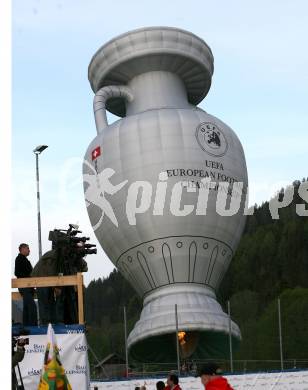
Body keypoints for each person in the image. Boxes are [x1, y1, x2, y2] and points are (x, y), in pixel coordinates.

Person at [14, 243, 38, 326]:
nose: (29, 250)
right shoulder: (19, 259)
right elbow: (17, 272)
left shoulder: (24, 259)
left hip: (27, 287)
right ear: (23, 249)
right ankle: (33, 326)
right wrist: (28, 277)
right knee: (32, 307)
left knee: (27, 307)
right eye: (28, 248)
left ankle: (26, 326)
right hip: (24, 286)